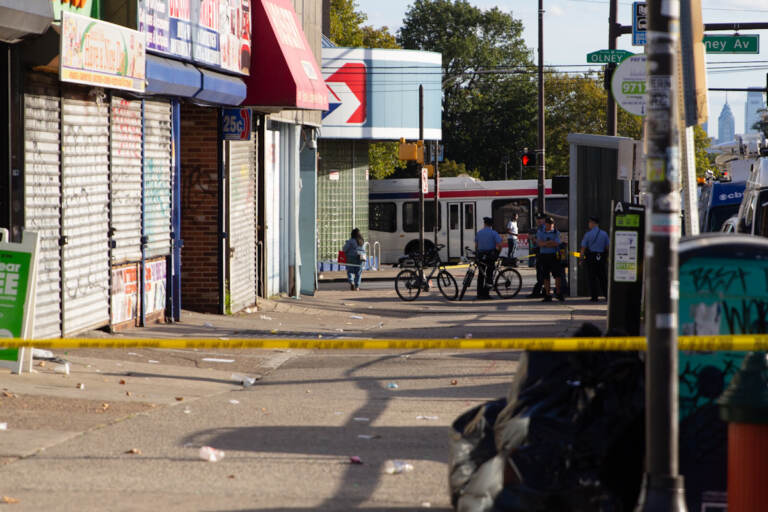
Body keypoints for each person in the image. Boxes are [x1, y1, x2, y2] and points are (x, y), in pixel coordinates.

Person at [580, 216, 610, 301]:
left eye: (590, 222)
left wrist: (581, 259)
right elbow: (608, 247)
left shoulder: (588, 234)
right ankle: (606, 295)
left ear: (593, 223)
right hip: (601, 257)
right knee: (602, 277)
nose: (589, 224)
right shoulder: (604, 234)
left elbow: (583, 248)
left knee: (592, 277)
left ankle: (594, 296)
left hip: (591, 257)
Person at [537, 216, 565, 302]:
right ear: (546, 224)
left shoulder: (556, 232)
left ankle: (558, 293)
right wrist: (549, 243)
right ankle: (547, 294)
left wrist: (545, 243)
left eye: (552, 224)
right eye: (549, 224)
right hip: (544, 256)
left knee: (557, 276)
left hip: (554, 256)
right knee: (545, 276)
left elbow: (557, 243)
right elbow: (539, 243)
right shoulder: (540, 232)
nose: (550, 225)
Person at [475, 217, 502, 299]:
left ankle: (479, 294)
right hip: (490, 257)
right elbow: (500, 245)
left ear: (485, 224)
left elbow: (476, 246)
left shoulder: (479, 233)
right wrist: (497, 253)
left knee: (481, 275)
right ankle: (486, 293)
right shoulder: (494, 233)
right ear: (491, 225)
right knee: (489, 274)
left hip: (481, 256)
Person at [527, 213, 546, 298]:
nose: (538, 220)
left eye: (540, 219)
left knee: (542, 272)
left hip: (543, 253)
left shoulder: (545, 228)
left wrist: (534, 239)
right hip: (538, 252)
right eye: (537, 219)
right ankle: (543, 291)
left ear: (544, 219)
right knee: (540, 273)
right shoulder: (538, 229)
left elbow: (541, 241)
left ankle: (539, 291)